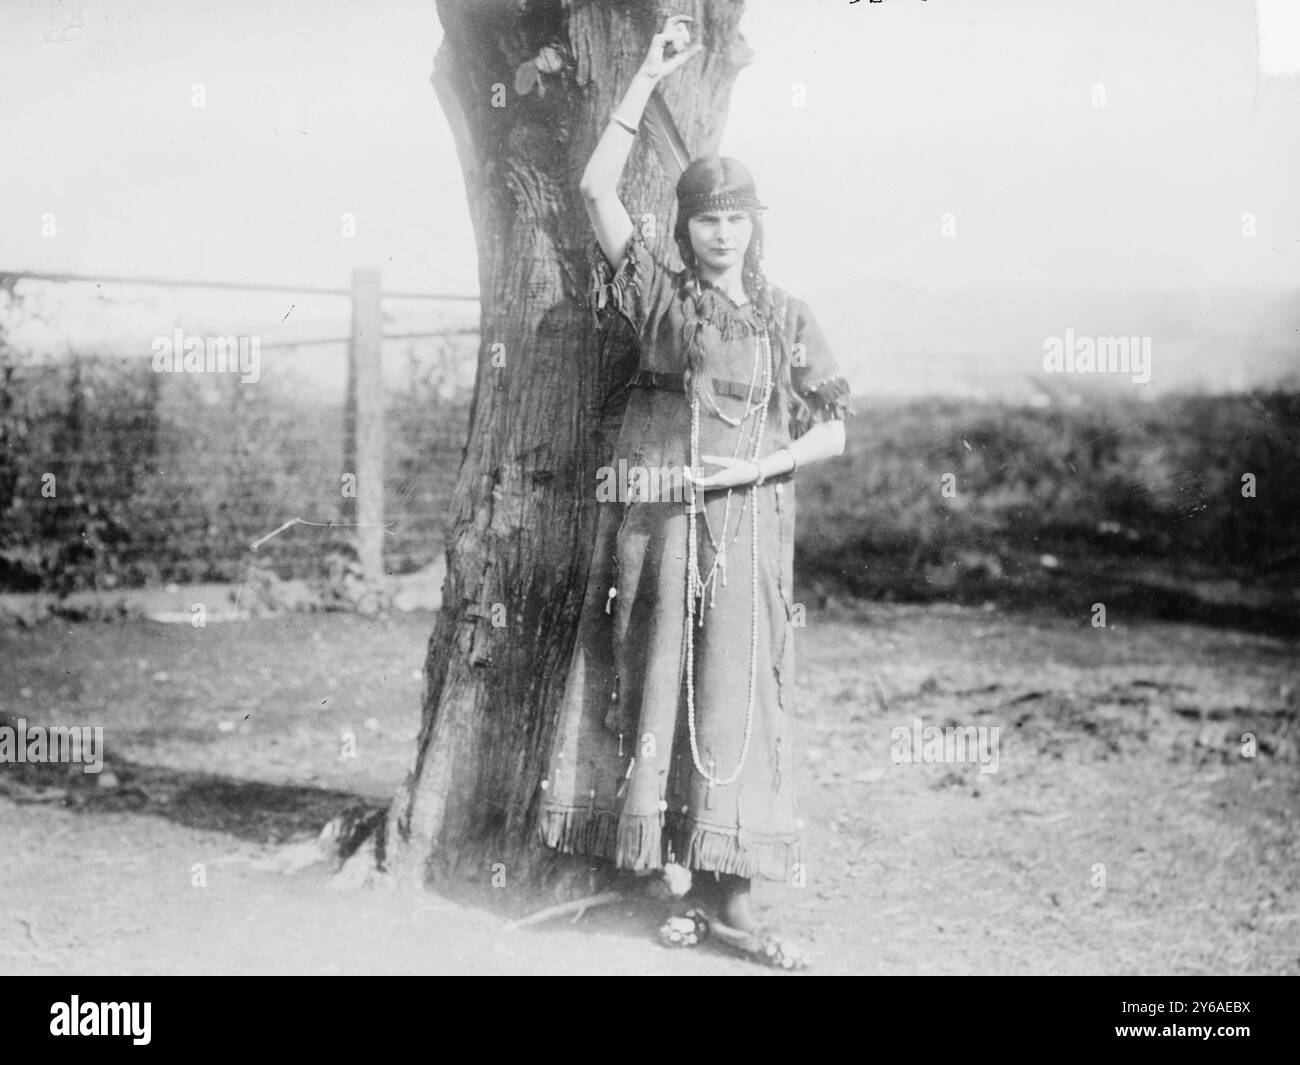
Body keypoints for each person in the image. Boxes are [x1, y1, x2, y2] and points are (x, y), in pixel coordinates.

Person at [537, 16, 852, 969]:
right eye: (706, 218)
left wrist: (752, 467)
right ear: (684, 228)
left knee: (736, 696)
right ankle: (648, 879)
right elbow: (594, 186)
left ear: (756, 223)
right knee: (651, 677)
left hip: (750, 527)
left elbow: (834, 429)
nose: (722, 231)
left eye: (736, 216)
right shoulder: (659, 297)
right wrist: (644, 75)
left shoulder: (789, 315)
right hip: (661, 522)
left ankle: (731, 902)